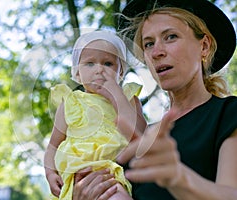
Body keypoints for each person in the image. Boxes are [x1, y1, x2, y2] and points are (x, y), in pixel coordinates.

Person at [72, 0, 237, 199]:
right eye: (148, 44)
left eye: (171, 37)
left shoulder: (228, 114)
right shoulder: (138, 137)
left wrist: (179, 178)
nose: (156, 52)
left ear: (204, 46)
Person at [44, 30, 147, 200]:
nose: (99, 69)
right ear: (77, 73)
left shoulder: (129, 99)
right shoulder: (71, 102)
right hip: (78, 174)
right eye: (90, 63)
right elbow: (53, 145)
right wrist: (49, 173)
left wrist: (117, 96)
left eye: (108, 64)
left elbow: (141, 136)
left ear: (120, 72)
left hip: (112, 173)